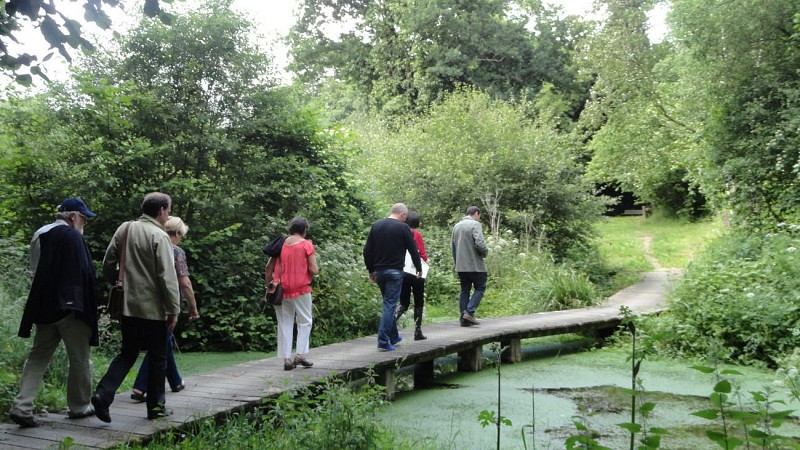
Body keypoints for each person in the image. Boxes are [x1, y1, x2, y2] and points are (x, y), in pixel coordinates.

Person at [10, 198, 99, 427]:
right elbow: (82, 275)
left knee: (37, 357)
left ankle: (22, 405)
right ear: (73, 217)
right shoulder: (73, 237)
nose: (84, 223)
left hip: (43, 307)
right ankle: (79, 407)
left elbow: (35, 271)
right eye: (84, 218)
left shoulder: (40, 233)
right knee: (80, 358)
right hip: (70, 309)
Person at [92, 192, 180, 422]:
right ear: (161, 210)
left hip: (128, 306)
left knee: (127, 352)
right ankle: (156, 409)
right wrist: (174, 309)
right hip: (154, 309)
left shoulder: (126, 228)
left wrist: (119, 284)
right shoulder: (159, 236)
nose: (169, 214)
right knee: (158, 356)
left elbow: (108, 263)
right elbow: (167, 277)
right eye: (168, 210)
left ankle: (103, 393)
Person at [130, 216, 200, 402]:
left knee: (165, 341)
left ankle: (176, 381)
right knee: (159, 343)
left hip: (142, 300)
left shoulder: (148, 245)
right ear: (176, 233)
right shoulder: (176, 251)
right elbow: (184, 283)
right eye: (181, 236)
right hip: (166, 304)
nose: (180, 239)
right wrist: (193, 307)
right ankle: (140, 386)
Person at [363, 203, 422, 351]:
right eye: (405, 217)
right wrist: (419, 268)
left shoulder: (376, 225)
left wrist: (371, 270)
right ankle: (383, 341)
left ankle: (394, 337)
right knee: (389, 306)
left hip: (379, 272)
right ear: (402, 215)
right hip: (395, 272)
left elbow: (367, 250)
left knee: (388, 303)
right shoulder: (403, 228)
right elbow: (413, 250)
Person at [265, 217, 319, 370]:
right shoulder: (306, 245)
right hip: (300, 288)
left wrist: (268, 286)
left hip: (280, 289)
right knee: (305, 321)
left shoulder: (280, 244)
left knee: (285, 323)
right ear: (304, 230)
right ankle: (300, 355)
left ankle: (287, 359)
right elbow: (314, 270)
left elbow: (268, 268)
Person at [452, 206, 489, 327]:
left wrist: (456, 262)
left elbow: (453, 246)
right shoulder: (475, 225)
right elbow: (479, 243)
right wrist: (485, 252)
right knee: (480, 287)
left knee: (465, 290)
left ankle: (463, 319)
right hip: (475, 265)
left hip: (461, 265)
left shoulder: (456, 226)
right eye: (479, 216)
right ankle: (469, 312)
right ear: (476, 214)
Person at [395, 210, 429, 341]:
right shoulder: (416, 234)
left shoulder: (400, 232)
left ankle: (391, 321)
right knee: (419, 300)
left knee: (403, 301)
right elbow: (422, 254)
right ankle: (417, 331)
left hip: (402, 270)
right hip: (416, 271)